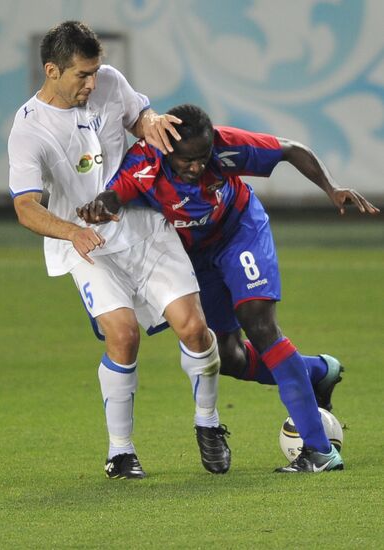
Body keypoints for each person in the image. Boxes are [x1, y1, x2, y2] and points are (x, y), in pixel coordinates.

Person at [78, 103, 380, 473]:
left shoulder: (224, 146)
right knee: (227, 357)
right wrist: (99, 206)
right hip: (194, 257)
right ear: (166, 150)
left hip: (240, 231)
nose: (197, 167)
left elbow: (290, 149)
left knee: (260, 323)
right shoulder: (143, 161)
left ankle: (319, 451)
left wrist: (331, 187)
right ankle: (316, 371)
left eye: (203, 158)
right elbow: (114, 195)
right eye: (187, 161)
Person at [8, 26, 231, 480]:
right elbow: (26, 207)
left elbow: (141, 116)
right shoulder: (28, 129)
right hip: (87, 246)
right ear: (51, 71)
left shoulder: (109, 80)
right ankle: (121, 452)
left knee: (194, 327)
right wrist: (71, 231)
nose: (92, 84)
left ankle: (208, 422)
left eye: (94, 73)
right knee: (123, 335)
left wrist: (151, 123)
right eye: (81, 76)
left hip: (144, 225)